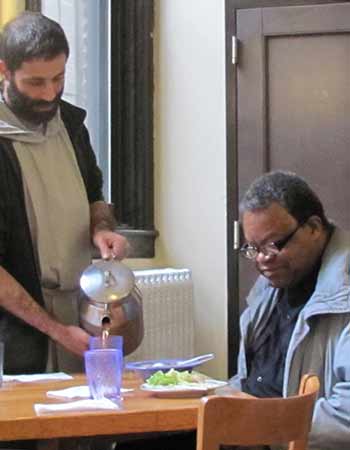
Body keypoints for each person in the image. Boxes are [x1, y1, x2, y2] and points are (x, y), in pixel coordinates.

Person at [0, 11, 129, 376]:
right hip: (22, 330)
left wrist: (101, 228)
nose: (49, 93)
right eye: (35, 83)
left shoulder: (71, 124)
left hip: (82, 310)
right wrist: (55, 331)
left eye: (58, 78)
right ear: (3, 71)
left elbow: (94, 194)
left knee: (94, 427)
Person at [230, 170, 350, 449]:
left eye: (274, 245)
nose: (262, 260)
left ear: (314, 228)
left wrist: (257, 425)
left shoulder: (343, 292)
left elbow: (345, 416)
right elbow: (249, 381)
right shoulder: (267, 289)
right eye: (254, 248)